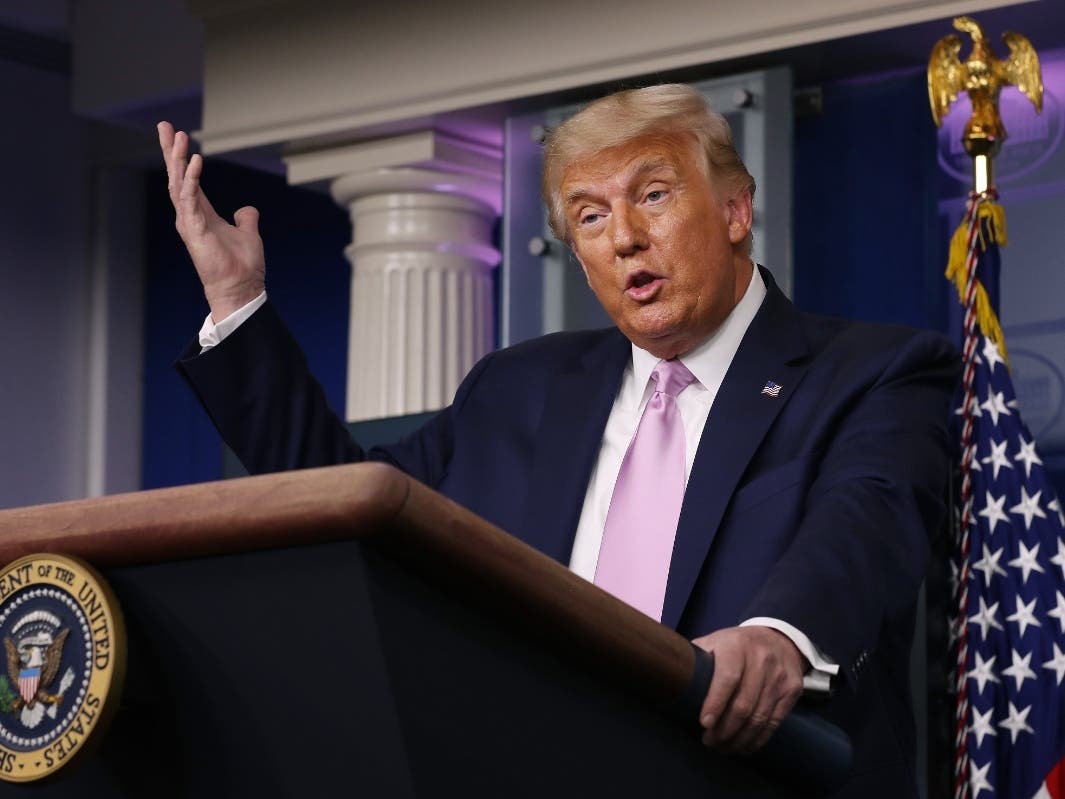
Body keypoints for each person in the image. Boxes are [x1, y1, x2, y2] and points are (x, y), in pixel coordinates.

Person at [158, 83, 958, 797]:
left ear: (734, 209)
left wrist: (778, 636)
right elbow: (345, 506)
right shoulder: (516, 390)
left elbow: (867, 523)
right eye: (590, 215)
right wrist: (238, 301)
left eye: (652, 194)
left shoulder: (874, 371)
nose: (624, 238)